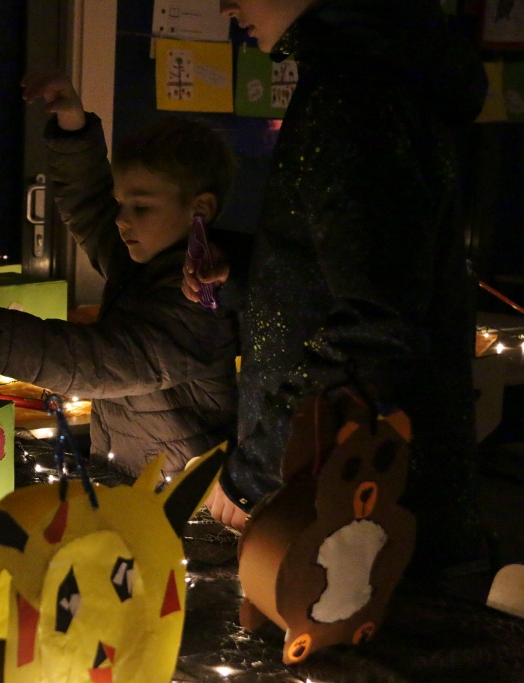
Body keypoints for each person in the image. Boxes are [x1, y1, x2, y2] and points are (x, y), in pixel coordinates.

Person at [192, 0, 489, 572]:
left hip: (364, 505)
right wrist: (249, 272)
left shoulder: (354, 95)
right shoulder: (373, 76)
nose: (226, 5)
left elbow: (378, 322)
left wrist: (257, 471)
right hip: (368, 497)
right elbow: (365, 272)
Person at [0, 72, 238, 478]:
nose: (121, 220)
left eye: (141, 207)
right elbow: (90, 204)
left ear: (200, 209)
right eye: (121, 203)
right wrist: (73, 128)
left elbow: (104, 361)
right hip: (134, 482)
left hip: (189, 495)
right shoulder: (139, 261)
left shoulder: (203, 296)